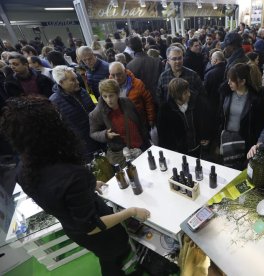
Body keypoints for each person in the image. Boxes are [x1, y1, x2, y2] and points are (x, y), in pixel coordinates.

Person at [0, 96, 151, 275]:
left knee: (108, 255)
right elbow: (91, 226)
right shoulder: (73, 176)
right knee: (114, 250)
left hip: (74, 230)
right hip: (100, 233)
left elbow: (58, 195)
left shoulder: (22, 170)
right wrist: (131, 211)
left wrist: (88, 186)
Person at [89, 79, 150, 166]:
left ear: (117, 94)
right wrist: (105, 134)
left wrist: (146, 139)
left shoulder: (127, 102)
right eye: (105, 96)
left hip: (141, 145)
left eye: (111, 96)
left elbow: (139, 122)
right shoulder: (97, 113)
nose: (108, 100)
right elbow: (93, 133)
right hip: (123, 153)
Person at [50, 65, 103, 162]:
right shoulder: (54, 102)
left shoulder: (82, 91)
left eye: (76, 79)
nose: (77, 82)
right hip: (83, 147)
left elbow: (94, 108)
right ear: (61, 82)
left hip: (98, 137)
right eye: (73, 80)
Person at [219, 63, 264, 169]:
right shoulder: (226, 94)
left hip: (243, 141)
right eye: (228, 79)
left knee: (239, 169)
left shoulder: (254, 100)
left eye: (232, 80)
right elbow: (220, 116)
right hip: (226, 137)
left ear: (243, 81)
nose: (228, 82)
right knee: (226, 167)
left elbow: (257, 125)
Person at [157, 78, 213, 156]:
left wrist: (206, 136)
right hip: (179, 152)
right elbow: (163, 134)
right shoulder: (165, 110)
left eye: (188, 90)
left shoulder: (198, 101)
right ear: (177, 96)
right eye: (185, 93)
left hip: (197, 146)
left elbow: (206, 120)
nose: (189, 94)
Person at [109, 62, 156, 128]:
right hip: (120, 126)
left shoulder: (137, 84)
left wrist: (151, 118)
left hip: (139, 123)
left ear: (125, 71)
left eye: (119, 74)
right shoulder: (108, 87)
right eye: (113, 75)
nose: (116, 78)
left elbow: (148, 101)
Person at [126, 36, 163, 102]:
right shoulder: (157, 61)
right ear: (142, 44)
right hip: (158, 98)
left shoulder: (129, 66)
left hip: (143, 101)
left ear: (131, 47)